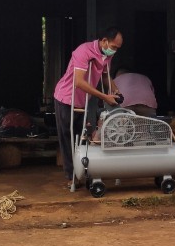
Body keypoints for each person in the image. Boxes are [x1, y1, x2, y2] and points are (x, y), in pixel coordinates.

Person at [52, 27, 123, 185]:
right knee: (68, 138)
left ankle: (85, 171)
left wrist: (115, 90)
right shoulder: (83, 51)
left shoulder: (107, 55)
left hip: (82, 100)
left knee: (83, 137)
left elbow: (105, 75)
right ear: (104, 41)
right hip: (66, 97)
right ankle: (71, 176)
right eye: (114, 47)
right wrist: (104, 96)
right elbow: (79, 81)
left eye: (118, 48)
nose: (115, 51)